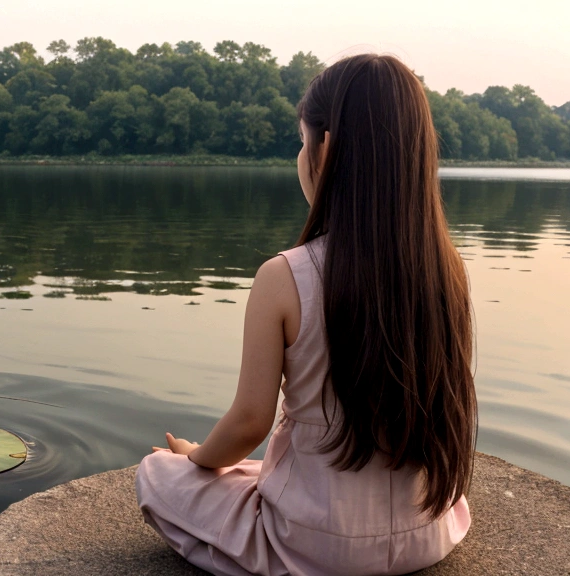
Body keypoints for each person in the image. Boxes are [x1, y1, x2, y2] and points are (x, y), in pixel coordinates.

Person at [135, 53, 476, 576]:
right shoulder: (448, 271)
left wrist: (197, 459)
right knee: (258, 470)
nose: (300, 154)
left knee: (157, 474)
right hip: (427, 532)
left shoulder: (285, 275)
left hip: (316, 543)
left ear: (327, 147)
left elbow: (250, 422)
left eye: (302, 140)